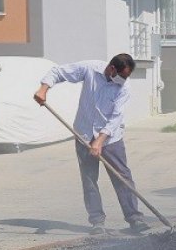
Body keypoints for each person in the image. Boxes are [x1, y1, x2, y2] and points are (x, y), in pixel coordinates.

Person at [34, 53, 149, 235]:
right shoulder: (89, 69)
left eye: (126, 77)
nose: (124, 80)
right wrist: (43, 89)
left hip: (111, 139)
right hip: (84, 134)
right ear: (112, 69)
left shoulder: (124, 87)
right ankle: (97, 221)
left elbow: (115, 118)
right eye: (122, 76)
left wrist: (100, 141)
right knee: (89, 179)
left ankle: (135, 218)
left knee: (123, 177)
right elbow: (58, 72)